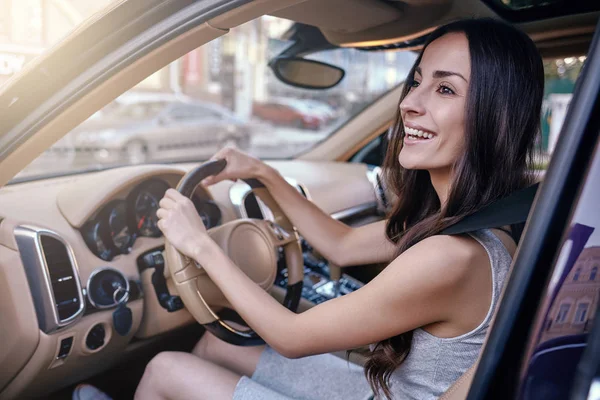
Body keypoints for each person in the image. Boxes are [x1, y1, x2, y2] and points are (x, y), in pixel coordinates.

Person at [74, 17, 544, 400]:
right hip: (390, 391)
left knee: (163, 368)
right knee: (216, 341)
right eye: (417, 81)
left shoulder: (449, 256)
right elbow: (338, 243)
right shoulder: (480, 222)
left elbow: (292, 337)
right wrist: (262, 174)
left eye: (445, 90)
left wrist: (199, 242)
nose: (409, 105)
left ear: (492, 116)